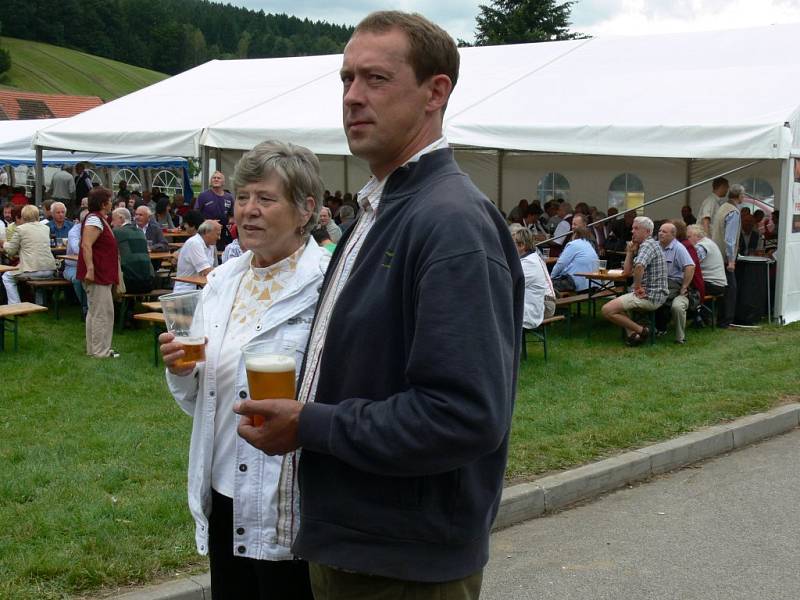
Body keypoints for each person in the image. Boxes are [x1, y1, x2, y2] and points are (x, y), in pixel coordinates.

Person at [233, 12, 523, 600]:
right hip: (362, 546)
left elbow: (464, 415)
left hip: (404, 563)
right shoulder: (385, 207)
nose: (352, 98)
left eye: (376, 79)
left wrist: (311, 424)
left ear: (434, 93)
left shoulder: (449, 223)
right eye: (345, 80)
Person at [159, 141, 326, 600]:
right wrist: (179, 368)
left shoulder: (328, 286)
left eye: (266, 199)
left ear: (305, 209)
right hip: (224, 493)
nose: (248, 211)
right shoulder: (222, 282)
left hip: (289, 499)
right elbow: (201, 401)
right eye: (244, 198)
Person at [601, 216, 667, 345]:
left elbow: (639, 266)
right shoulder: (647, 244)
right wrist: (630, 252)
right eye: (632, 228)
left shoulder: (648, 245)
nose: (632, 231)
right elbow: (626, 272)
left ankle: (642, 330)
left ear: (647, 232)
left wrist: (637, 287)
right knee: (616, 304)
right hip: (654, 294)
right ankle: (634, 335)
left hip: (650, 296)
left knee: (606, 310)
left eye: (636, 228)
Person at [78, 187, 120, 358]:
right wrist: (90, 269)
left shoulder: (98, 219)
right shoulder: (94, 220)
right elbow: (86, 245)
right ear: (104, 203)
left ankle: (94, 349)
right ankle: (100, 351)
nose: (112, 203)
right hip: (97, 275)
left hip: (101, 273)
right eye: (110, 200)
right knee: (102, 313)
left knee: (96, 312)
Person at [0, 204, 57, 304]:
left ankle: (15, 305)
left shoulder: (21, 229)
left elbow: (11, 250)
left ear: (23, 216)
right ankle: (40, 304)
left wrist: (3, 243)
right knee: (38, 279)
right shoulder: (45, 228)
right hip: (50, 269)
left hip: (32, 270)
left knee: (7, 277)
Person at [654, 222, 696, 344]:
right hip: (659, 281)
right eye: (660, 231)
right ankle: (655, 328)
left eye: (664, 232)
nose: (660, 233)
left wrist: (684, 287)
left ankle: (658, 328)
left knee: (657, 296)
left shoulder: (679, 248)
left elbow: (690, 267)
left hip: (673, 283)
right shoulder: (656, 246)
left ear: (673, 235)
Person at [512, 225, 555, 328]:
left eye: (511, 244)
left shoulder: (529, 263)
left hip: (541, 306)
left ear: (522, 245)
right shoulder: (531, 258)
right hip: (538, 303)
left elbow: (509, 284)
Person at [712, 184, 742, 328]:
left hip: (717, 254)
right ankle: (726, 321)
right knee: (731, 290)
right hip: (725, 257)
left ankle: (721, 319)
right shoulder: (733, 212)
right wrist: (731, 260)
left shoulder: (722, 208)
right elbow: (730, 239)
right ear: (740, 196)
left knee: (723, 289)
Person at [111, 207, 154, 295]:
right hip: (149, 282)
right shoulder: (140, 232)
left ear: (121, 218)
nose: (111, 223)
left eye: (113, 219)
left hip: (130, 284)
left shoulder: (116, 232)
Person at [548, 225, 599, 293]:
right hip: (593, 285)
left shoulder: (573, 244)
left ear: (575, 234)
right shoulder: (588, 244)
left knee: (546, 284)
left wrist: (551, 277)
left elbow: (561, 263)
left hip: (578, 284)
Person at [173, 220, 220, 292]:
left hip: (200, 289)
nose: (219, 237)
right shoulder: (194, 243)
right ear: (207, 232)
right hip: (186, 291)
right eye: (217, 234)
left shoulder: (211, 245)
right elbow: (206, 271)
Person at [195, 171, 234, 250]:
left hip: (221, 233)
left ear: (223, 182)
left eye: (218, 178)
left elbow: (232, 216)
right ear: (211, 181)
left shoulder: (229, 197)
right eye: (214, 178)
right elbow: (195, 215)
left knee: (219, 257)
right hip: (206, 232)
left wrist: (228, 221)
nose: (216, 179)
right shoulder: (203, 196)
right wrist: (209, 222)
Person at [63, 209, 89, 319]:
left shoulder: (96, 229)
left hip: (90, 265)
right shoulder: (74, 231)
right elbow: (76, 249)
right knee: (78, 278)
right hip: (72, 266)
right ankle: (85, 308)